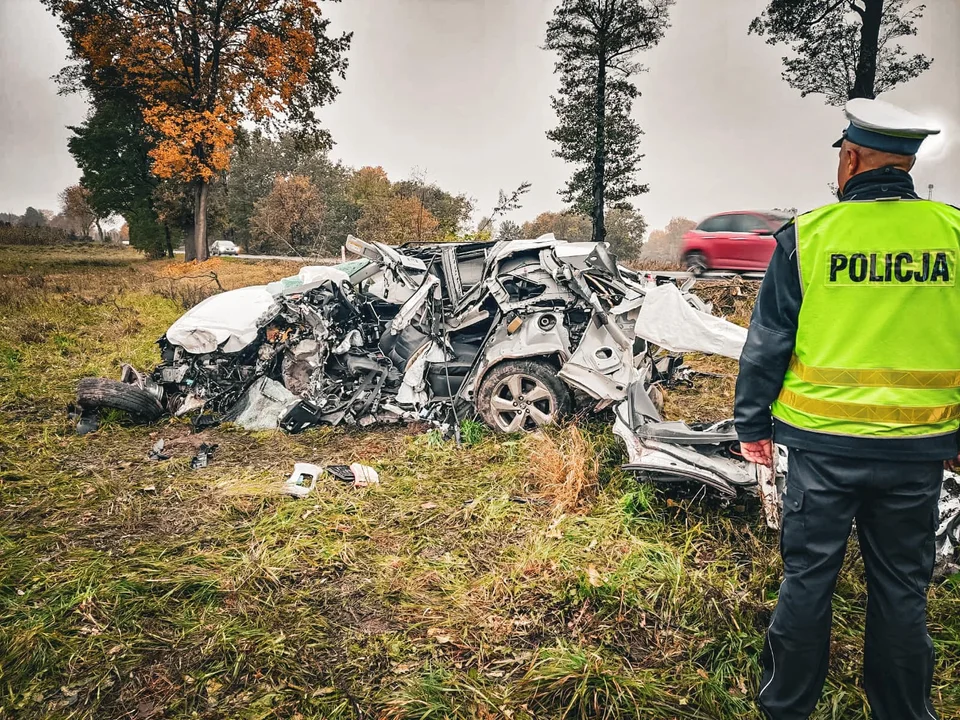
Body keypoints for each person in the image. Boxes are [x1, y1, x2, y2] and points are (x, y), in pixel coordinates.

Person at [734, 97, 957, 720]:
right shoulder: (954, 234)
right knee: (902, 592)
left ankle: (787, 710)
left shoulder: (808, 237)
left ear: (852, 158)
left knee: (807, 582)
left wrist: (752, 424)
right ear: (907, 165)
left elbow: (768, 343)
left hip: (822, 449)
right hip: (917, 454)